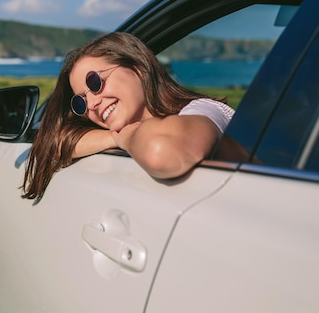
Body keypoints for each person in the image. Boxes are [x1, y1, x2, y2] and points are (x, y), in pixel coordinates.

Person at [22, 32, 235, 200]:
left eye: (95, 83)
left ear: (138, 69)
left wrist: (126, 136)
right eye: (81, 102)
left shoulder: (206, 110)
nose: (93, 104)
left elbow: (160, 151)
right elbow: (52, 144)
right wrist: (116, 137)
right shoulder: (119, 133)